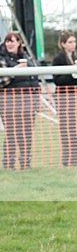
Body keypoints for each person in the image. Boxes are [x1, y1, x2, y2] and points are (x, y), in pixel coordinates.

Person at [0, 32, 39, 170]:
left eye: (13, 41)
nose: (9, 44)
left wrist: (36, 100)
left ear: (19, 43)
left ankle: (25, 164)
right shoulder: (2, 58)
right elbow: (1, 80)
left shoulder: (26, 57)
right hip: (9, 103)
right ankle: (9, 164)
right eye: (7, 41)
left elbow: (34, 81)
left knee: (26, 135)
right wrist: (15, 70)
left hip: (28, 103)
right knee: (11, 135)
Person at [52, 30, 77, 167]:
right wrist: (72, 73)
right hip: (65, 101)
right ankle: (67, 160)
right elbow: (57, 80)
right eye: (70, 42)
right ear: (63, 44)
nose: (73, 45)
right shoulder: (58, 60)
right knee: (68, 131)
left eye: (74, 42)